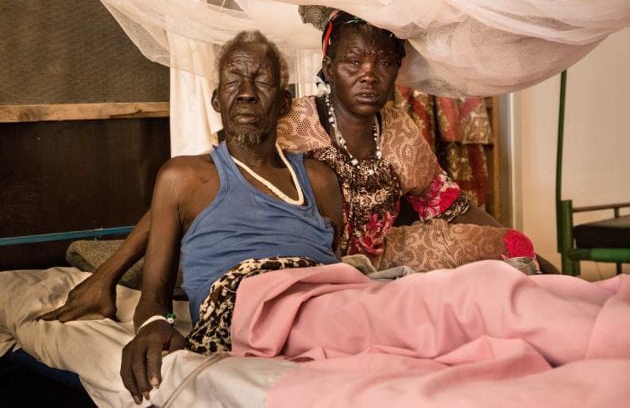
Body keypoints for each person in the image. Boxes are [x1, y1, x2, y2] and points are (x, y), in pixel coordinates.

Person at [117, 31, 630, 406]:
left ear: (281, 102)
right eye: (234, 81)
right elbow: (157, 296)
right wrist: (134, 305)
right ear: (215, 98)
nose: (247, 92)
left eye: (262, 82)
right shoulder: (184, 177)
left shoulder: (317, 178)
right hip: (259, 302)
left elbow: (342, 253)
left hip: (346, 281)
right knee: (457, 305)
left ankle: (600, 315)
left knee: (470, 289)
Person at [39, 10, 553, 324]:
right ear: (328, 68)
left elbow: (452, 204)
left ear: (398, 71)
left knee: (503, 254)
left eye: (383, 64)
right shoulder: (288, 119)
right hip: (293, 256)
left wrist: (519, 244)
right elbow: (197, 187)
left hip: (367, 260)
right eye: (354, 62)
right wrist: (110, 274)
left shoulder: (399, 131)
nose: (368, 75)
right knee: (185, 265)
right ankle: (107, 263)